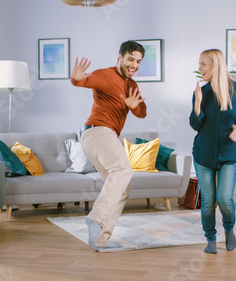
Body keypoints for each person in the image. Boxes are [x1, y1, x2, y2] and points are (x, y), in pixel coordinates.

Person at [70, 40, 147, 251]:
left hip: (101, 136)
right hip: (97, 132)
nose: (134, 65)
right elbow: (85, 80)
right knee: (122, 169)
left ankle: (100, 240)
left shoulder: (132, 85)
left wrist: (134, 107)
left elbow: (143, 112)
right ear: (120, 57)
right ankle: (95, 217)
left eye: (138, 61)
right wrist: (77, 79)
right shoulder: (106, 75)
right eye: (131, 59)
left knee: (122, 189)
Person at [189, 49, 236, 254]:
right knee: (208, 201)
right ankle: (210, 238)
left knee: (224, 199)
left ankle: (229, 229)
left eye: (203, 64)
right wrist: (198, 103)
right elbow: (195, 124)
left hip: (229, 154)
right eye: (199, 64)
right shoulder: (201, 92)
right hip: (203, 155)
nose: (199, 68)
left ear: (216, 65)